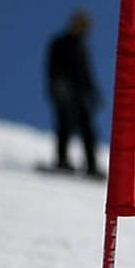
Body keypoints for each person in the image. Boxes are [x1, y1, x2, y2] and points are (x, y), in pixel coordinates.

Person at [45, 9, 103, 177]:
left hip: (79, 96)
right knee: (65, 126)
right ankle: (62, 161)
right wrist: (58, 88)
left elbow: (86, 74)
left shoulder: (82, 48)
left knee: (88, 130)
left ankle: (92, 166)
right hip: (64, 94)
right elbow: (53, 69)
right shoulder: (60, 43)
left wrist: (94, 94)